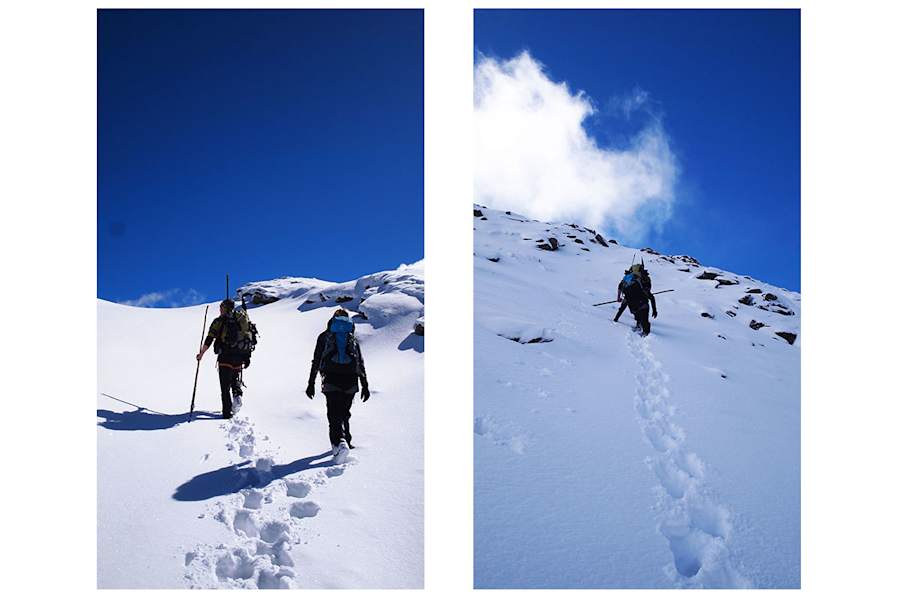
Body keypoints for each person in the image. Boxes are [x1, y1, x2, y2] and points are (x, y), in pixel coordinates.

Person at [306, 308, 370, 458]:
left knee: (333, 414)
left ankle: (339, 444)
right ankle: (347, 440)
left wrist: (311, 383)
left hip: (331, 379)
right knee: (344, 413)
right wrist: (365, 385)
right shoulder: (351, 338)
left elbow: (317, 360)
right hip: (351, 380)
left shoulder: (325, 336)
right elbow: (360, 362)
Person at [196, 299, 249, 419]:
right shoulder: (240, 319)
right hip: (239, 356)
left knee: (225, 386)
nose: (220, 309)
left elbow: (210, 338)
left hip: (225, 357)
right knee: (235, 379)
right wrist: (246, 356)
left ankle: (226, 413)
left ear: (225, 308)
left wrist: (201, 354)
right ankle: (237, 396)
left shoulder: (218, 321)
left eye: (221, 307)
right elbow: (247, 336)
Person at [614, 264, 658, 336]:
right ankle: (646, 334)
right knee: (644, 319)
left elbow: (622, 306)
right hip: (642, 304)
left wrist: (616, 319)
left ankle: (639, 326)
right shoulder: (641, 285)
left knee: (638, 315)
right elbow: (651, 297)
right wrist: (654, 310)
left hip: (633, 305)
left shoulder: (626, 282)